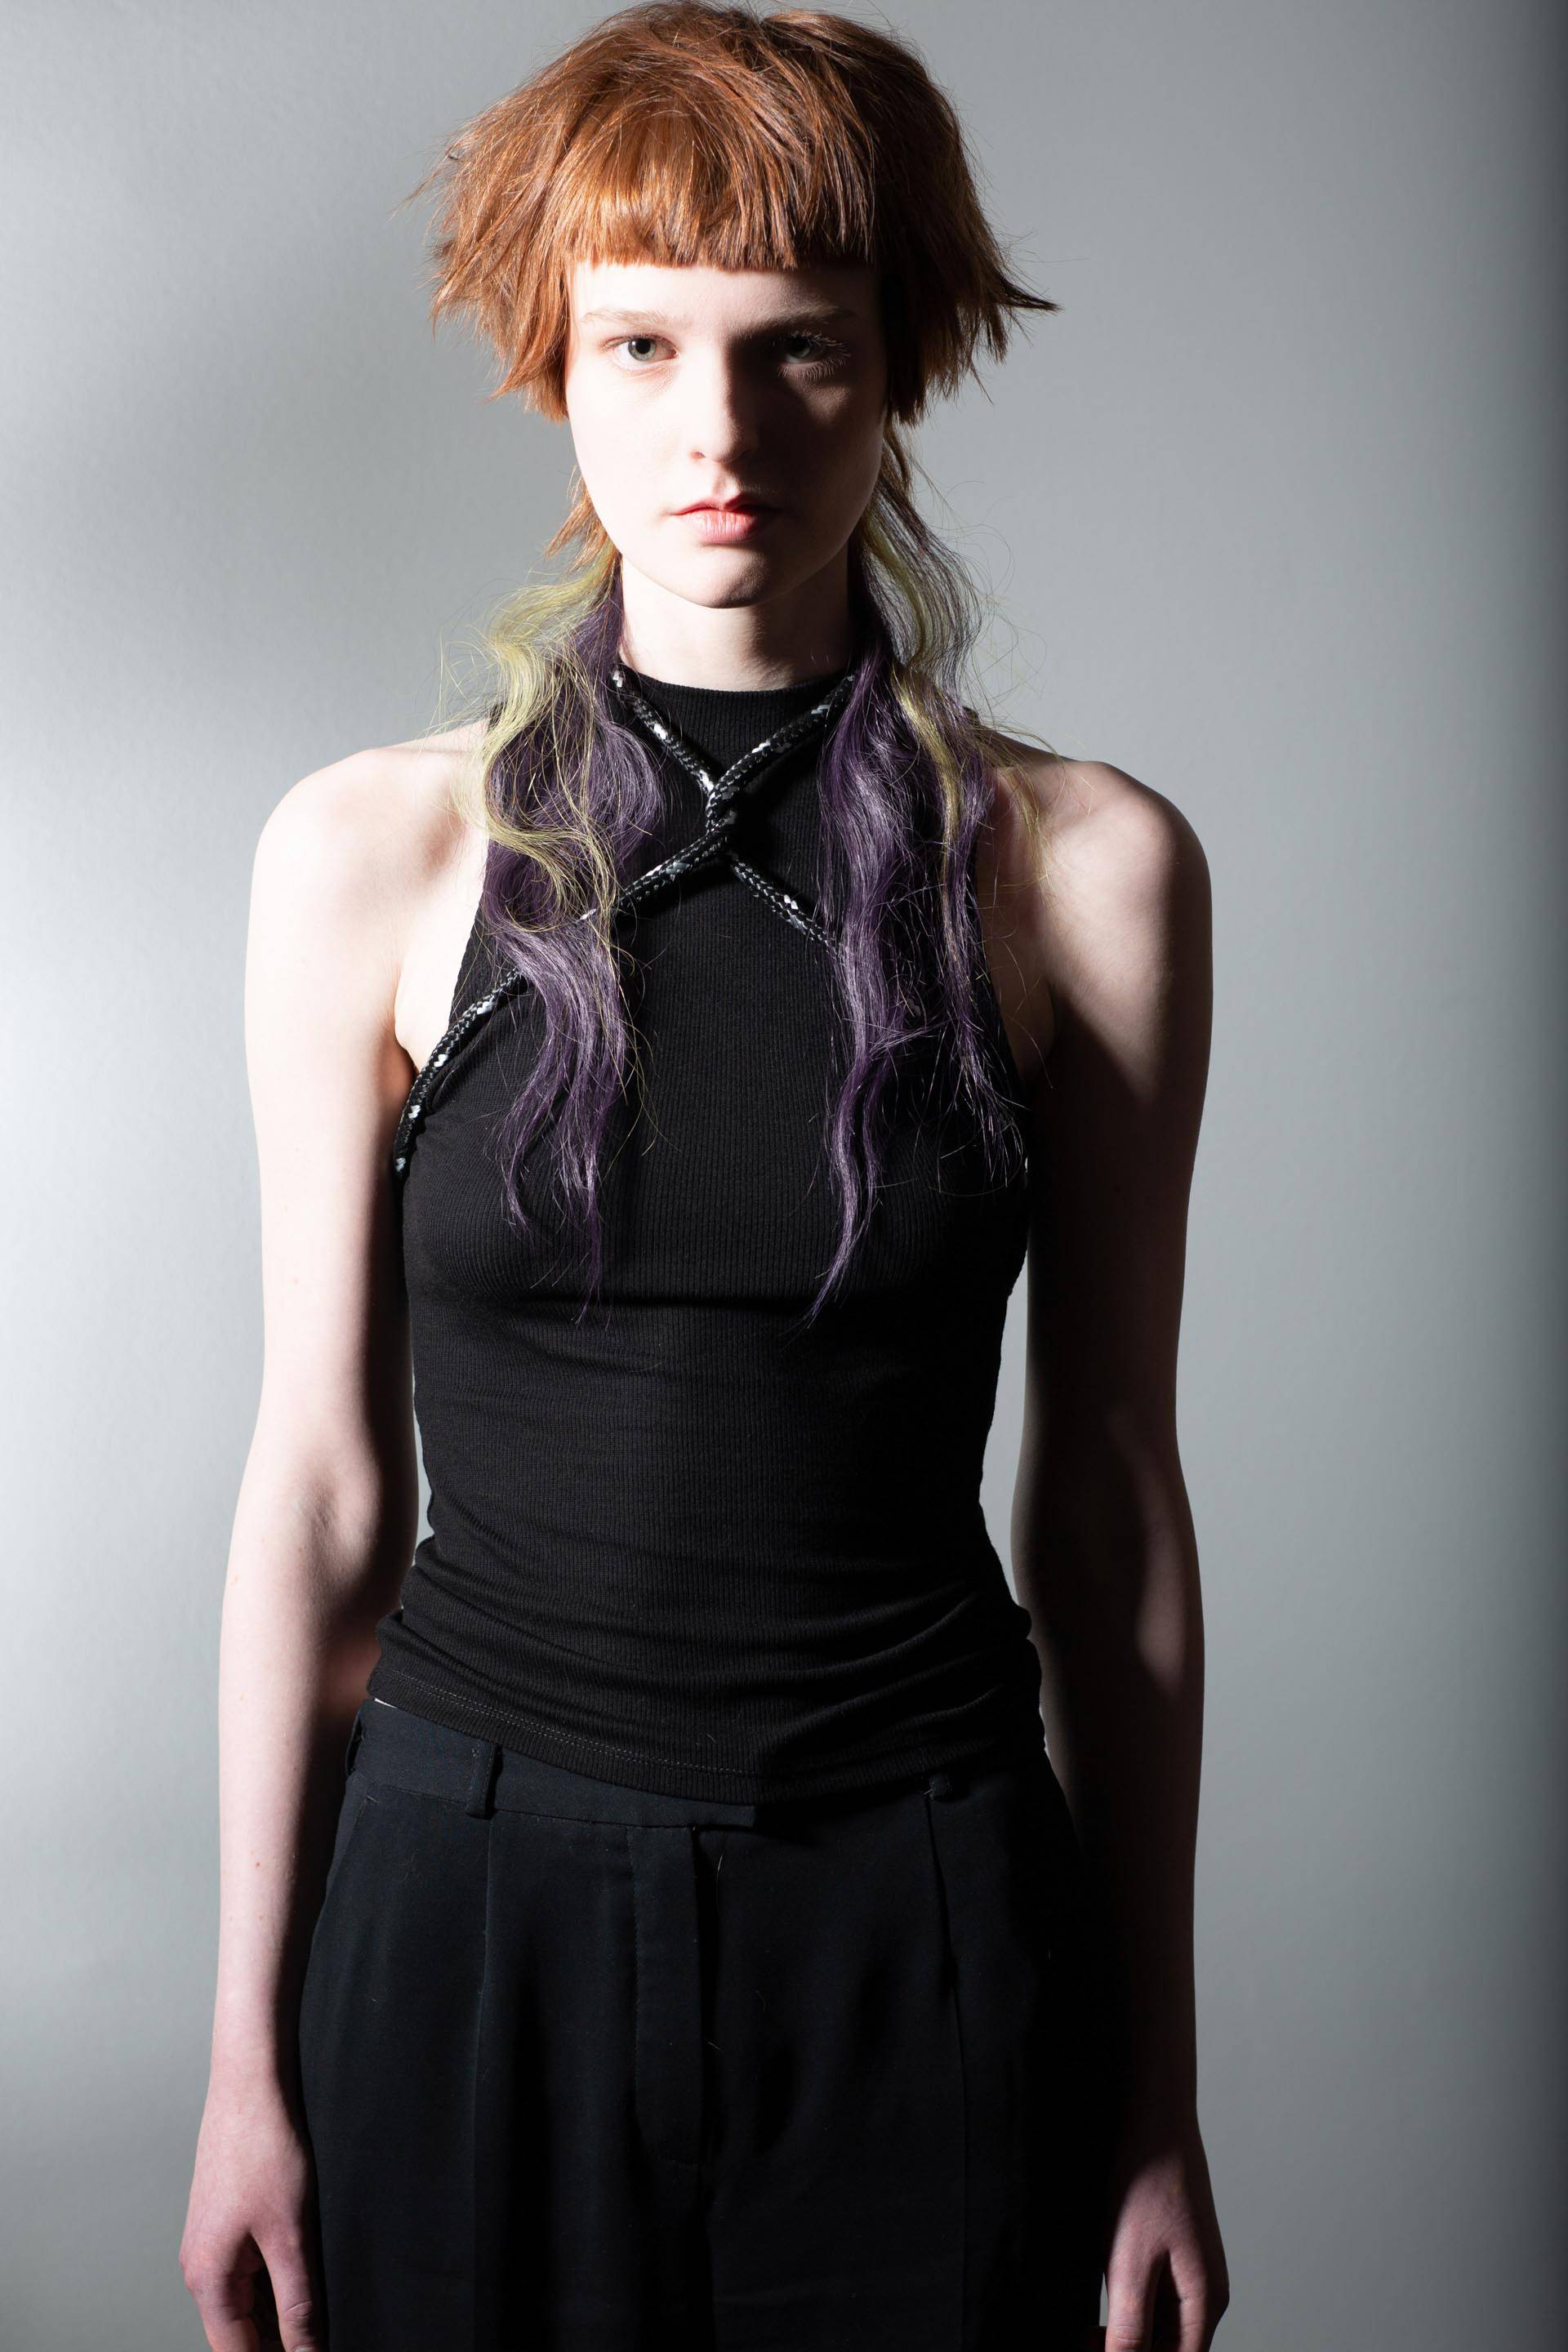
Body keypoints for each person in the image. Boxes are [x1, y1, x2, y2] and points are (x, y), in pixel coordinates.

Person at [179, 6, 1227, 2348]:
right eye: (643, 346)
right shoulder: (373, 852)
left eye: (797, 349)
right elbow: (323, 1488)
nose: (718, 433)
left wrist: (1156, 2090)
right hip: (467, 1912)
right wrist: (245, 2059)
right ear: (555, 363)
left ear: (902, 362)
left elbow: (1112, 1504)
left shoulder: (1084, 872)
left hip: (925, 1915)